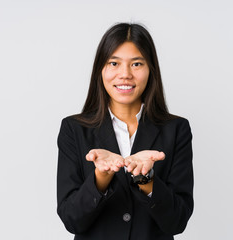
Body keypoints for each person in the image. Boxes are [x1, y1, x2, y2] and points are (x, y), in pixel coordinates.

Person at [57, 22, 194, 240]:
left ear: (151, 69)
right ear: (100, 70)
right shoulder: (74, 130)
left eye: (137, 64)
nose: (125, 74)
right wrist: (101, 178)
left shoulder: (176, 130)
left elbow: (177, 221)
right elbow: (71, 219)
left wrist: (145, 179)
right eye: (114, 63)